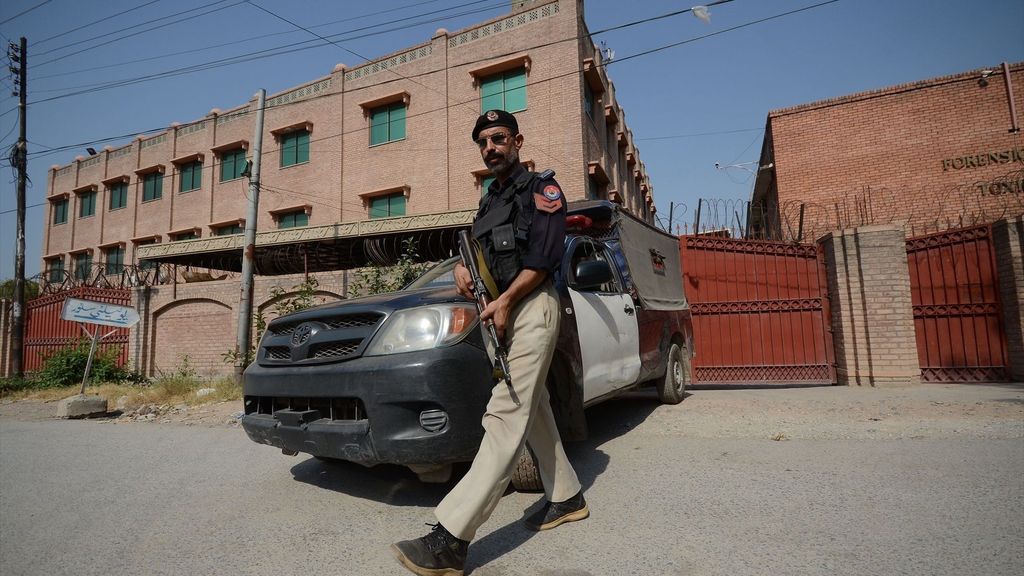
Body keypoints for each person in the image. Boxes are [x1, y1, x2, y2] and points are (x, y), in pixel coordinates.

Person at [391, 109, 588, 575]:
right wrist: (464, 270)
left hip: (532, 305)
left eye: (498, 138)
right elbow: (480, 255)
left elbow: (544, 257)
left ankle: (450, 539)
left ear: (517, 140)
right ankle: (567, 496)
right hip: (497, 310)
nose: (490, 148)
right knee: (531, 405)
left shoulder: (544, 190)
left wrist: (505, 303)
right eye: (483, 142)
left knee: (504, 412)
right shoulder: (488, 201)